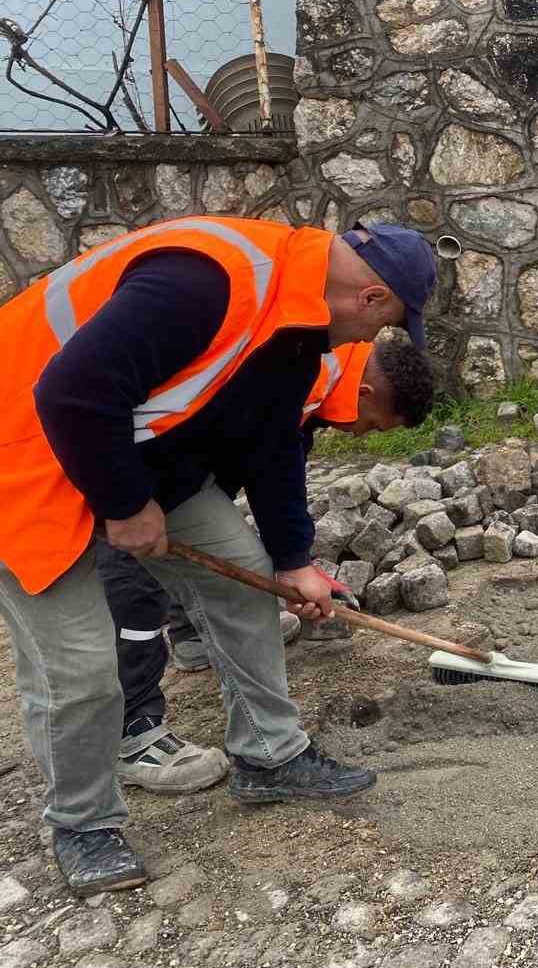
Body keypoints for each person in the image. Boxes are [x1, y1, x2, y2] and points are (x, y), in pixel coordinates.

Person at [0, 215, 437, 894]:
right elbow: (71, 391)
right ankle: (83, 825)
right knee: (81, 669)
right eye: (380, 327)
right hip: (23, 456)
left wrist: (293, 562)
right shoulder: (209, 281)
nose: (365, 343)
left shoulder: (298, 327)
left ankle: (270, 756)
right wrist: (122, 504)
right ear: (372, 298)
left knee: (246, 585)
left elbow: (271, 448)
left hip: (124, 448)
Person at [109, 336, 437, 797]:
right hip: (108, 461)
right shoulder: (298, 368)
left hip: (171, 468)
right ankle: (132, 730)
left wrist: (294, 565)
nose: (365, 435)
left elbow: (277, 476)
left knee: (217, 564)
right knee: (130, 592)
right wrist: (289, 565)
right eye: (376, 425)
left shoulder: (316, 382)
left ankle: (193, 639)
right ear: (364, 394)